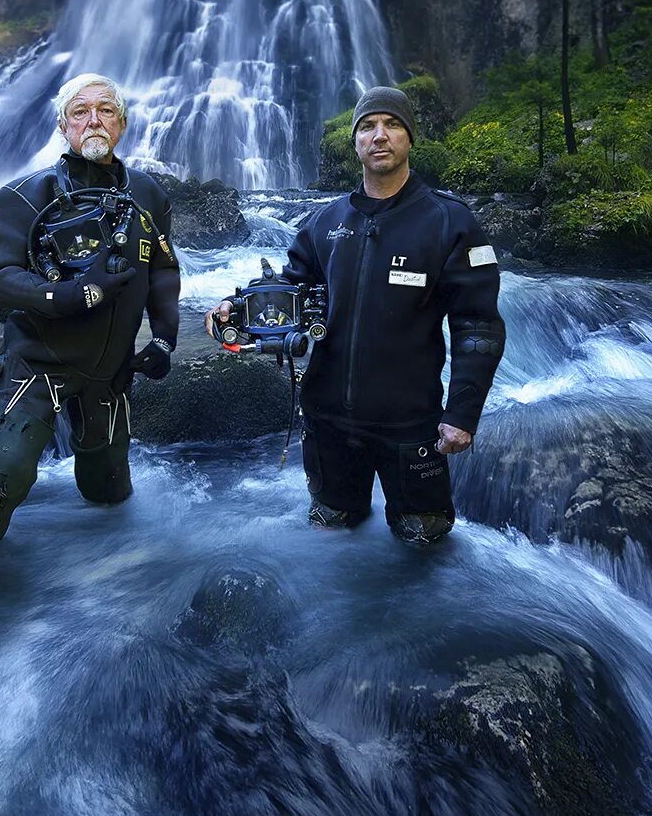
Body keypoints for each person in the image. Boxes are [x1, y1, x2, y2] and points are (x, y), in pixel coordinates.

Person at [207, 86, 506, 544]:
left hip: (409, 423)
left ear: (410, 138)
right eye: (368, 126)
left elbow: (478, 324)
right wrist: (238, 306)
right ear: (355, 141)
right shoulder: (325, 221)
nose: (379, 135)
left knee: (423, 543)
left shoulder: (450, 222)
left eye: (392, 125)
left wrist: (462, 413)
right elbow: (290, 286)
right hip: (328, 422)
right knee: (331, 534)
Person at [0, 73, 181, 572]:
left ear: (123, 124)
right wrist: (63, 295)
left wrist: (165, 339)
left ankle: (116, 576)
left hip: (111, 374)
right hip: (38, 365)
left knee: (109, 495)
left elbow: (163, 270)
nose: (94, 120)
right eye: (80, 111)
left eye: (106, 110)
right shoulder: (26, 195)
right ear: (63, 126)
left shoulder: (150, 197)